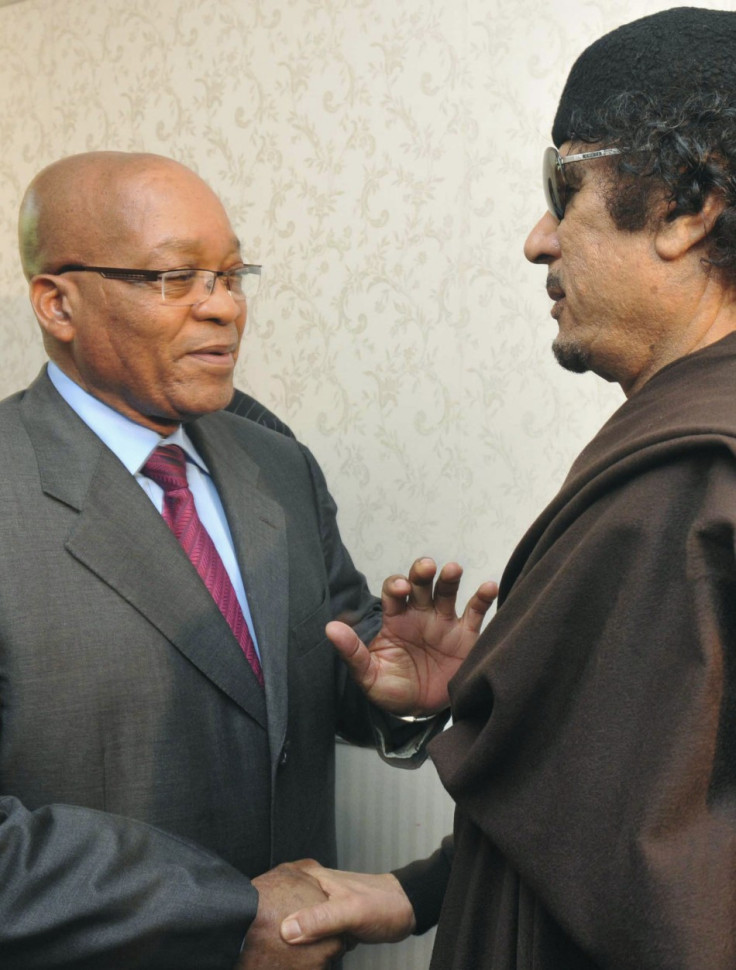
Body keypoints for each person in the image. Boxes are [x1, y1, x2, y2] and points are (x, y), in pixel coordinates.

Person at [280, 7, 736, 968]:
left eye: (562, 186)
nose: (537, 238)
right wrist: (501, 697)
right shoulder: (678, 443)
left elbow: (679, 896)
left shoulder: (701, 482)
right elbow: (640, 811)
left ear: (689, 204)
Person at [0, 149, 498, 969]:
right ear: (58, 303)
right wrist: (224, 915)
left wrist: (399, 699)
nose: (223, 308)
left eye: (232, 275)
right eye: (176, 278)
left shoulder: (276, 466)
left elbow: (316, 663)